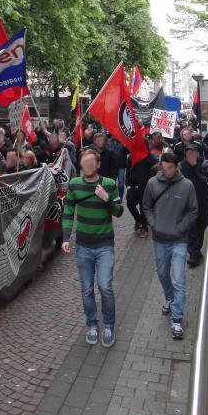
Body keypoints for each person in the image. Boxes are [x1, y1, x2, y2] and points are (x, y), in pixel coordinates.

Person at [61, 149, 123, 348]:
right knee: (87, 289)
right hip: (83, 246)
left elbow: (119, 212)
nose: (86, 167)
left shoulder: (110, 184)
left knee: (105, 286)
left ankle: (109, 325)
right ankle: (92, 324)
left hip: (105, 245)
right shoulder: (74, 185)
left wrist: (106, 199)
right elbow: (68, 212)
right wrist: (65, 238)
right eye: (83, 164)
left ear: (97, 165)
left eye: (90, 164)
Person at [142, 151, 198, 340]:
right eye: (163, 168)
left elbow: (193, 211)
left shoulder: (187, 185)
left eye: (170, 168)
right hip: (159, 239)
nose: (166, 172)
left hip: (179, 241)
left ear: (176, 167)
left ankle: (177, 320)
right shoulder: (152, 184)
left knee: (178, 280)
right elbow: (147, 206)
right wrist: (153, 224)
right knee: (163, 274)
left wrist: (180, 228)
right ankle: (169, 297)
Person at [180, 146, 208, 267]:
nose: (191, 155)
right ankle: (193, 254)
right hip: (188, 204)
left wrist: (195, 166)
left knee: (201, 228)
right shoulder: (181, 166)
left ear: (197, 153)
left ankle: (197, 250)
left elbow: (207, 178)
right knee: (191, 230)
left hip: (202, 202)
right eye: (188, 153)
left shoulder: (204, 163)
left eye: (193, 153)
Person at [125, 145, 159, 238]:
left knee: (143, 208)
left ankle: (144, 228)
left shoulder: (150, 157)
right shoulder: (131, 157)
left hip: (145, 186)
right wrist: (127, 184)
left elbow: (156, 169)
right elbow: (127, 172)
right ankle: (138, 220)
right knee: (130, 204)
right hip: (132, 186)